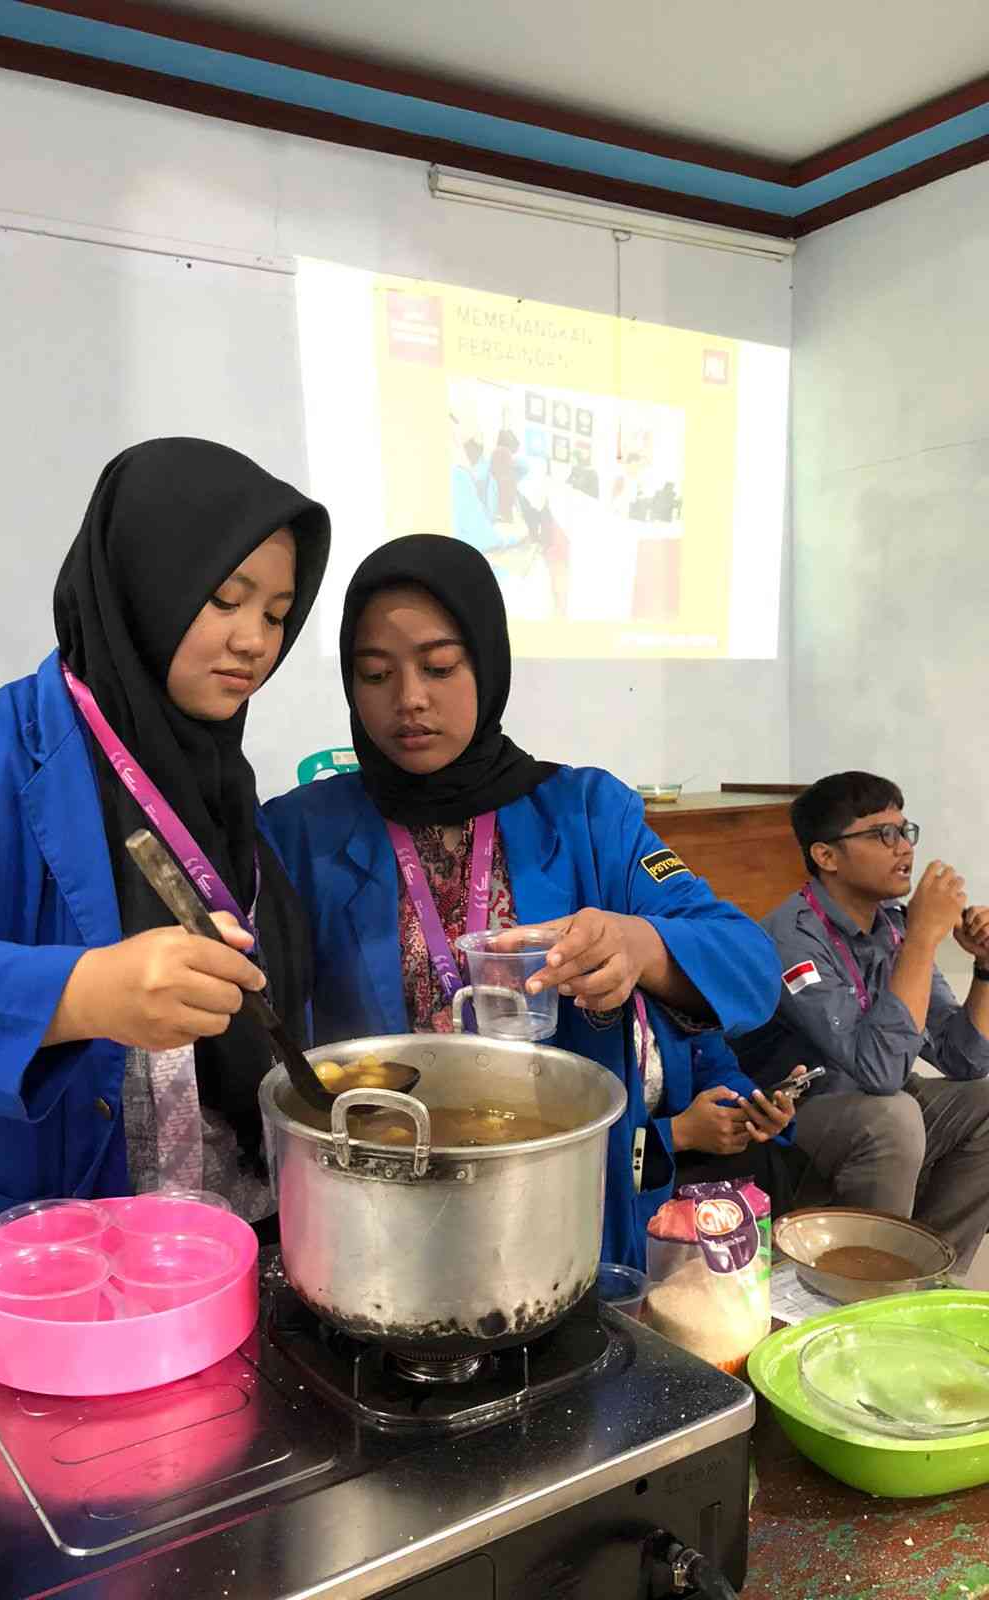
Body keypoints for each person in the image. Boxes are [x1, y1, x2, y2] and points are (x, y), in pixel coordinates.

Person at [0, 438, 330, 1301]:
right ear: (144, 580)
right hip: (70, 1267)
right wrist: (79, 994)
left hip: (251, 1255)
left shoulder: (221, 779)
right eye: (223, 598)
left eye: (276, 613)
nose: (252, 641)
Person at [264, 534, 788, 1268]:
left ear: (487, 663)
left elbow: (749, 962)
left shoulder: (585, 814)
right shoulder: (299, 832)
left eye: (441, 667)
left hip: (557, 1202)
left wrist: (641, 947)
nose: (409, 699)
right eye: (375, 673)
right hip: (374, 1205)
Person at [734, 771, 989, 1272]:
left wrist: (984, 967)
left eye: (904, 830)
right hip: (792, 1123)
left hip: (876, 1104)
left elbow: (965, 1059)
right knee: (893, 1116)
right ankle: (871, 1292)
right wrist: (922, 939)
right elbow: (881, 1073)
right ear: (826, 856)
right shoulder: (792, 939)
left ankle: (930, 1276)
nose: (904, 849)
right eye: (880, 834)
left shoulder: (892, 925)